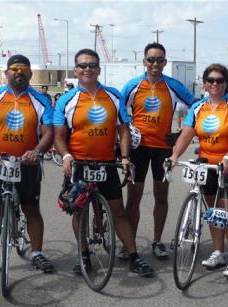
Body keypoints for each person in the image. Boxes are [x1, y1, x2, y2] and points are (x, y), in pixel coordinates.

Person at [54, 48, 154, 277]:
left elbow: (124, 130)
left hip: (106, 163)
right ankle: (84, 255)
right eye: (82, 65)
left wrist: (126, 157)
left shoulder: (113, 96)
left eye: (92, 65)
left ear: (99, 69)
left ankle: (133, 256)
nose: (87, 69)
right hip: (79, 164)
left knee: (118, 211)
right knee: (79, 212)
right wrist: (66, 156)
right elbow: (59, 136)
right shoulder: (67, 100)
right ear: (75, 70)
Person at [0, 54, 54, 277]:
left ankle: (37, 253)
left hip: (28, 163)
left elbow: (49, 132)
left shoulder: (41, 100)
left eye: (24, 69)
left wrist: (37, 151)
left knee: (31, 209)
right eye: (14, 69)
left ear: (30, 74)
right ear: (6, 73)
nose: (19, 72)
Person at [169, 63, 228, 278]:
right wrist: (175, 156)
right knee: (213, 212)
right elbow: (186, 134)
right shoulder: (198, 107)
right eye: (210, 80)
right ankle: (218, 251)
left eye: (219, 80)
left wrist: (227, 157)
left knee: (227, 213)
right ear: (204, 83)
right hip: (206, 165)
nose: (215, 84)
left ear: (226, 84)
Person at [120, 42, 196, 259]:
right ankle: (129, 244)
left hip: (163, 148)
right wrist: (126, 134)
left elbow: (197, 108)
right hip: (138, 149)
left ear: (165, 62)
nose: (155, 64)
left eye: (160, 60)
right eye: (151, 59)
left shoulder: (173, 85)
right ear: (144, 61)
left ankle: (157, 241)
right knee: (133, 197)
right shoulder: (132, 85)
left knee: (161, 196)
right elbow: (117, 111)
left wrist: (181, 133)